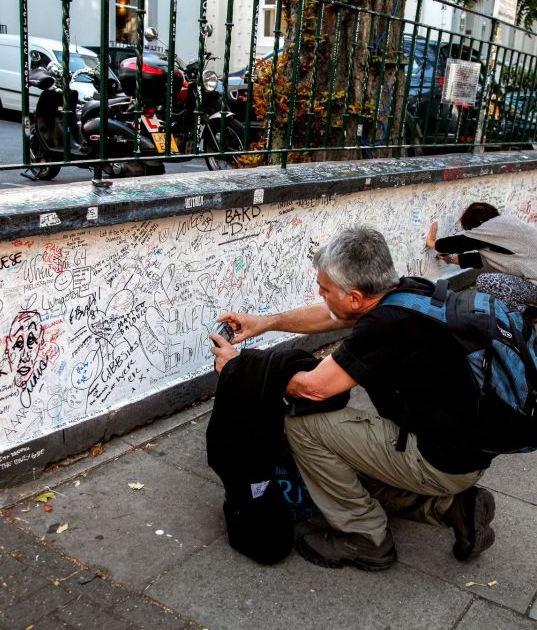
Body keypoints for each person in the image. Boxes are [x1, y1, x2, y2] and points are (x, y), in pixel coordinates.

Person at [209, 227, 496, 572]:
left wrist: (238, 370)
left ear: (356, 298)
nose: (320, 294)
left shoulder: (385, 326)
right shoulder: (408, 291)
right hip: (466, 448)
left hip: (441, 460)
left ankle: (365, 538)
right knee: (338, 466)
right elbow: (330, 315)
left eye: (325, 289)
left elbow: (315, 388)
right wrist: (267, 323)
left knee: (305, 429)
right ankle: (450, 508)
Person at [425, 202, 537, 322]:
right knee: (500, 278)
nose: (473, 232)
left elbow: (461, 242)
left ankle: (520, 318)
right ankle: (533, 313)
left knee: (486, 281)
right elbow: (482, 260)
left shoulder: (494, 227)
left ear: (478, 223)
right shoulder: (506, 225)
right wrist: (450, 259)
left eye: (471, 228)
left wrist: (433, 243)